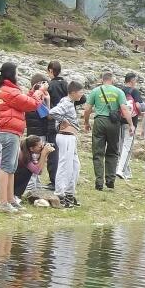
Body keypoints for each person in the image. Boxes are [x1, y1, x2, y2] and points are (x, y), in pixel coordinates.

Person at [0, 62, 45, 213]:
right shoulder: (9, 91)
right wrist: (38, 93)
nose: (18, 75)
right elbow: (31, 104)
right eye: (16, 73)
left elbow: (21, 102)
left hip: (10, 131)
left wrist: (31, 93)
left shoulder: (4, 89)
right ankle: (3, 202)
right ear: (11, 74)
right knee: (7, 167)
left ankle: (10, 199)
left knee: (11, 167)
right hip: (9, 131)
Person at [83, 71, 133, 191]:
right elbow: (124, 109)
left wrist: (86, 122)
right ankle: (110, 180)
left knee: (98, 152)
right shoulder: (118, 92)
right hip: (113, 123)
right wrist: (131, 124)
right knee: (112, 151)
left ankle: (99, 182)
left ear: (102, 79)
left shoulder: (95, 91)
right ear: (112, 80)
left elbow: (87, 109)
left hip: (99, 121)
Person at [49, 80, 87, 208]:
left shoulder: (70, 102)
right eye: (80, 92)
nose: (82, 94)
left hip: (71, 136)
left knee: (75, 166)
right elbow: (53, 112)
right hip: (65, 136)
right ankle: (60, 194)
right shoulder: (66, 102)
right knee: (65, 165)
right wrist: (63, 120)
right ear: (73, 92)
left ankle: (70, 193)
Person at [0, 135, 53, 201]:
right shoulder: (22, 155)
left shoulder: (28, 154)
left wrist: (45, 154)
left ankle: (13, 194)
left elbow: (39, 171)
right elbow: (37, 171)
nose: (42, 148)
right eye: (40, 146)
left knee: (26, 170)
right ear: (31, 148)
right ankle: (15, 194)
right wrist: (44, 154)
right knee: (26, 171)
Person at [43, 60, 71, 190]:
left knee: (52, 151)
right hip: (66, 122)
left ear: (50, 71)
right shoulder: (66, 85)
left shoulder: (50, 85)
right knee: (65, 152)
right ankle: (64, 179)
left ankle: (54, 181)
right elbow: (81, 98)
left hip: (52, 121)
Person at [116, 72, 145, 180]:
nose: (136, 82)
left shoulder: (120, 91)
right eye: (135, 80)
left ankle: (126, 171)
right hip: (131, 122)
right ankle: (120, 170)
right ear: (132, 80)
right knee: (127, 148)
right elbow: (138, 105)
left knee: (120, 146)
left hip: (119, 121)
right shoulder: (134, 91)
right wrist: (142, 111)